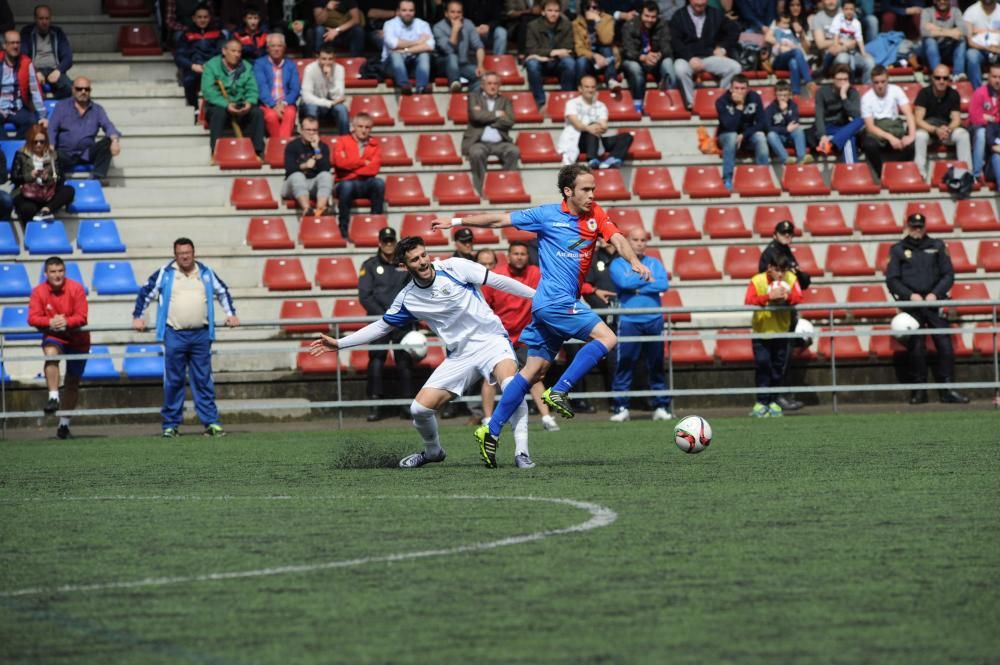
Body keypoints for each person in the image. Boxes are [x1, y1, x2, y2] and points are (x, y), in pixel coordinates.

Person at [430, 163, 652, 467]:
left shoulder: (596, 214)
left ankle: (490, 430)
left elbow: (618, 239)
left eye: (593, 189)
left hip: (551, 307)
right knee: (608, 337)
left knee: (532, 372)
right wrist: (454, 221)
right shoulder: (546, 215)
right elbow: (498, 219)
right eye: (586, 190)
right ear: (568, 191)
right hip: (554, 303)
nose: (591, 195)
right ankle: (559, 391)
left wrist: (633, 262)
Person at [311, 236, 540, 469]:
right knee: (419, 409)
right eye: (414, 260)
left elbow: (499, 281)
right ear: (405, 266)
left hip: (491, 340)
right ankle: (433, 452)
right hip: (460, 355)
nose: (422, 262)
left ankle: (522, 452)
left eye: (423, 255)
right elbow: (381, 326)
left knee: (512, 386)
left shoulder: (455, 267)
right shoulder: (408, 298)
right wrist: (340, 343)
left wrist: (536, 296)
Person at [132, 237, 239, 438]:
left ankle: (211, 423)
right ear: (175, 255)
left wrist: (230, 313)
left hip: (201, 334)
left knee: (203, 380)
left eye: (187, 252)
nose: (184, 256)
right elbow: (145, 292)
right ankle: (171, 425)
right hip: (174, 333)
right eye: (181, 253)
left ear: (193, 253)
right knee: (173, 380)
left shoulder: (205, 272)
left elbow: (223, 291)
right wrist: (138, 317)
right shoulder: (165, 272)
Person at [885, 213, 970, 405]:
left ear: (925, 227)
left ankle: (947, 389)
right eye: (913, 226)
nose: (917, 230)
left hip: (933, 303)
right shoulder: (898, 249)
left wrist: (936, 294)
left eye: (920, 226)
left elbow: (948, 274)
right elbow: (892, 279)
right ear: (907, 226)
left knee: (945, 345)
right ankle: (919, 390)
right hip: (912, 305)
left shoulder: (937, 246)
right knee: (916, 347)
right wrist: (909, 296)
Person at [480, 241, 561, 432]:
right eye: (515, 253)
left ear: (527, 256)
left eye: (523, 253)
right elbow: (484, 305)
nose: (519, 257)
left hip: (526, 335)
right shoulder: (496, 275)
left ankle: (547, 417)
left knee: (533, 376)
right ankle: (487, 419)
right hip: (499, 336)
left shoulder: (535, 273)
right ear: (508, 256)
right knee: (490, 378)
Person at [608, 227, 673, 423]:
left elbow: (663, 285)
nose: (639, 243)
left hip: (653, 319)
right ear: (627, 241)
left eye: (642, 240)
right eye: (635, 240)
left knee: (656, 364)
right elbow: (623, 283)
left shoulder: (655, 262)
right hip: (628, 320)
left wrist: (636, 285)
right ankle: (621, 406)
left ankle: (661, 406)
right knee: (625, 363)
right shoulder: (617, 263)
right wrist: (647, 279)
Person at [357, 226, 417, 421]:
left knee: (404, 361)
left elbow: (413, 289)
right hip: (379, 322)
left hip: (401, 321)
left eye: (391, 241)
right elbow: (365, 296)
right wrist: (385, 317)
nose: (389, 244)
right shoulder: (370, 265)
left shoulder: (405, 264)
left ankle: (408, 405)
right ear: (379, 243)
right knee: (376, 360)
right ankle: (375, 405)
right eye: (385, 241)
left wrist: (399, 315)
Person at [27, 256, 89, 439]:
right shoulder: (38, 291)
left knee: (72, 382)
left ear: (65, 271)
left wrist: (66, 321)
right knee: (51, 353)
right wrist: (50, 321)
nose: (57, 275)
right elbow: (32, 318)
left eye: (60, 271)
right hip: (54, 335)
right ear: (46, 274)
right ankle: (53, 396)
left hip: (78, 339)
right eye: (53, 272)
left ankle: (64, 425)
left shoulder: (76, 288)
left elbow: (82, 316)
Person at [758, 219, 809, 412]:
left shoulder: (786, 252)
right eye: (783, 233)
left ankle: (779, 395)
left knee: (784, 356)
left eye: (790, 234)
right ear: (775, 234)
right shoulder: (771, 253)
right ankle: (774, 397)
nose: (787, 236)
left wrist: (801, 276)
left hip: (787, 312)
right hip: (775, 313)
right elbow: (765, 280)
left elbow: (802, 281)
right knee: (776, 357)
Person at [744, 253, 803, 417]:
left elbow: (799, 297)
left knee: (778, 368)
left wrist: (787, 296)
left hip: (781, 331)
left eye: (783, 270)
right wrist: (768, 297)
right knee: (763, 365)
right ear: (769, 268)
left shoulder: (790, 278)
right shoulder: (758, 280)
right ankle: (761, 402)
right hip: (762, 332)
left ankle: (773, 401)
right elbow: (749, 300)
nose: (780, 274)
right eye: (777, 270)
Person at [47, 76, 121, 186]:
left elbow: (108, 125)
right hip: (65, 153)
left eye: (87, 89)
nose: (83, 92)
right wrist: (51, 145)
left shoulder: (97, 109)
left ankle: (97, 177)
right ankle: (58, 183)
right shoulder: (61, 107)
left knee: (108, 141)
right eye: (79, 89)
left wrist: (115, 140)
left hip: (86, 153)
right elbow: (52, 127)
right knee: (55, 155)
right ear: (73, 89)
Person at [669, 0, 741, 110]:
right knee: (679, 69)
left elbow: (734, 29)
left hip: (709, 57)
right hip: (687, 58)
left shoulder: (715, 14)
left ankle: (722, 101)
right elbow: (675, 41)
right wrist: (689, 58)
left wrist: (722, 48)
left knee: (735, 68)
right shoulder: (679, 16)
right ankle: (691, 104)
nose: (700, 4)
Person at [202, 38, 265, 158]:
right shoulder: (211, 66)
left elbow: (252, 89)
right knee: (219, 113)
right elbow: (209, 92)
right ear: (224, 51)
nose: (237, 55)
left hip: (240, 103)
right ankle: (216, 150)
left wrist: (249, 102)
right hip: (219, 105)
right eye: (233, 51)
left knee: (257, 113)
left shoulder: (246, 66)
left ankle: (258, 151)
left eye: (239, 52)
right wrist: (226, 105)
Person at [557, 74, 633, 168]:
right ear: (580, 88)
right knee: (591, 129)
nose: (590, 90)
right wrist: (591, 127)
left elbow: (604, 125)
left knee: (627, 136)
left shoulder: (601, 105)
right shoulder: (572, 103)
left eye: (593, 87)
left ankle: (611, 159)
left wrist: (599, 127)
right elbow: (577, 124)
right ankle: (592, 159)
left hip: (596, 139)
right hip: (577, 140)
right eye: (587, 87)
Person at [463, 70, 520, 195]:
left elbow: (510, 121)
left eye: (495, 83)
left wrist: (486, 118)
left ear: (499, 85)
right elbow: (475, 117)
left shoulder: (506, 100)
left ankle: (506, 187)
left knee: (513, 151)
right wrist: (498, 114)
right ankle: (480, 189)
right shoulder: (474, 97)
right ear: (482, 85)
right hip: (479, 142)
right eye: (489, 83)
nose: (492, 86)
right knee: (476, 153)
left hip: (501, 142)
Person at [860, 65, 916, 182]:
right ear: (872, 82)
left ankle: (897, 172)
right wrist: (890, 137)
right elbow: (870, 127)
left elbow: (909, 114)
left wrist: (911, 136)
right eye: (876, 82)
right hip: (878, 131)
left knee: (911, 145)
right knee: (869, 144)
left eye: (883, 81)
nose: (880, 85)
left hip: (894, 127)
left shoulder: (896, 90)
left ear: (888, 80)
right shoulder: (866, 98)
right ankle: (882, 175)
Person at [332, 112, 384, 239]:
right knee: (347, 187)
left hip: (364, 182)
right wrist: (362, 162)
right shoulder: (342, 141)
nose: (364, 130)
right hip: (345, 183)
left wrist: (351, 169)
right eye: (360, 126)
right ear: (353, 127)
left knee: (379, 183)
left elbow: (373, 169)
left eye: (367, 127)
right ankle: (343, 228)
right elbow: (339, 163)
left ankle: (375, 226)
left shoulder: (375, 144)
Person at [914, 65, 971, 178]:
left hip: (946, 131)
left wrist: (948, 129)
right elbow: (918, 120)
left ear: (949, 79)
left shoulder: (953, 94)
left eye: (945, 78)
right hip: (929, 131)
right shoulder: (924, 93)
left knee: (963, 135)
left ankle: (966, 174)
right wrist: (935, 130)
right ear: (932, 78)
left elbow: (956, 119)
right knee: (919, 135)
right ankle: (920, 174)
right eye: (938, 78)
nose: (941, 81)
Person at [10, 123, 73, 222]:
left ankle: (46, 210)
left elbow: (61, 178)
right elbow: (14, 177)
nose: (38, 144)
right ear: (30, 141)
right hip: (28, 195)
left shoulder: (53, 155)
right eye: (35, 142)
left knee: (69, 190)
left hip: (48, 193)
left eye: (42, 142)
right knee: (27, 209)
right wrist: (30, 176)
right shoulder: (21, 154)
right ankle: (32, 230)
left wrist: (48, 177)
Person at [716, 74, 768, 191]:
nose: (739, 91)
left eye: (743, 88)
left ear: (748, 89)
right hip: (726, 136)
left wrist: (744, 135)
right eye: (736, 88)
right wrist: (739, 107)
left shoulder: (754, 98)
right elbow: (729, 126)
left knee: (761, 137)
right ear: (731, 89)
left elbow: (762, 123)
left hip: (746, 135)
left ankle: (763, 176)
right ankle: (727, 178)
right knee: (732, 136)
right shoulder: (721, 101)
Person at [621, 1, 674, 114]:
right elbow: (627, 50)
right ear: (641, 14)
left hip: (655, 60)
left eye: (653, 17)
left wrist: (657, 56)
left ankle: (670, 101)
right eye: (647, 16)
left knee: (668, 62)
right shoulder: (629, 25)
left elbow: (667, 46)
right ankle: (638, 105)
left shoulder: (662, 25)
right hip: (636, 59)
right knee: (634, 68)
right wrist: (643, 58)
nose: (649, 20)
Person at [524, 0, 577, 109]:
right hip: (541, 63)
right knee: (532, 63)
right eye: (550, 10)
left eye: (556, 11)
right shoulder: (533, 26)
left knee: (569, 62)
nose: (553, 14)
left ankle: (567, 99)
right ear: (543, 12)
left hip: (558, 62)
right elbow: (531, 49)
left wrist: (544, 55)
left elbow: (568, 49)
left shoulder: (566, 24)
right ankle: (541, 102)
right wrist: (552, 52)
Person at [175, 4, 226, 109]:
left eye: (205, 17)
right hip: (194, 67)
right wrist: (192, 66)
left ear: (210, 18)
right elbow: (179, 56)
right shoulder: (186, 35)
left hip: (213, 67)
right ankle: (195, 109)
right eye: (199, 17)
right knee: (189, 81)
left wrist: (210, 66)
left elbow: (222, 53)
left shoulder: (218, 34)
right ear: (194, 18)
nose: (202, 20)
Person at [282, 115, 332, 216]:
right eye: (308, 130)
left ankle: (320, 209)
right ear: (301, 130)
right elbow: (289, 169)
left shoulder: (322, 147)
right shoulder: (292, 146)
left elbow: (326, 169)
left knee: (326, 176)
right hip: (292, 186)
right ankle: (307, 209)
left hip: (313, 184)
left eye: (314, 130)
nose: (311, 133)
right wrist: (304, 166)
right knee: (297, 176)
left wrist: (317, 149)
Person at [813, 63, 864, 163]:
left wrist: (844, 96)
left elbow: (856, 115)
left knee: (862, 118)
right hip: (828, 128)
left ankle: (833, 142)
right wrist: (822, 135)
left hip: (844, 127)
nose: (843, 82)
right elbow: (819, 115)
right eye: (839, 79)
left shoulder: (852, 92)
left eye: (845, 79)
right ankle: (851, 172)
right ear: (833, 79)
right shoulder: (822, 92)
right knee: (849, 139)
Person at [19, 4, 72, 100]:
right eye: (41, 18)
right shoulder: (27, 32)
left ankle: (53, 105)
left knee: (69, 88)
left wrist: (58, 70)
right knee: (26, 89)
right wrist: (35, 72)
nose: (44, 22)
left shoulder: (57, 33)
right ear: (35, 19)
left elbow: (68, 57)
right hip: (35, 70)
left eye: (47, 18)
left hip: (54, 70)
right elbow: (23, 56)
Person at [382, 0, 435, 95]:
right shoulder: (389, 24)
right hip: (391, 66)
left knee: (424, 55)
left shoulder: (422, 24)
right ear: (398, 11)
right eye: (404, 10)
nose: (408, 13)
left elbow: (430, 46)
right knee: (396, 55)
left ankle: (422, 88)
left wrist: (406, 50)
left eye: (411, 10)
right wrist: (418, 42)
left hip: (413, 66)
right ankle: (404, 86)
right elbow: (393, 44)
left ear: (414, 12)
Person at [253, 33, 300, 139]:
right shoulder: (260, 64)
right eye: (273, 46)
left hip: (286, 103)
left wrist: (283, 103)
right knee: (271, 116)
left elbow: (295, 89)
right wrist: (273, 105)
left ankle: (279, 147)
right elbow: (261, 87)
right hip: (267, 103)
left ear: (284, 48)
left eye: (279, 46)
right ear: (268, 48)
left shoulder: (291, 65)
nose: (276, 49)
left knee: (290, 114)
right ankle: (281, 145)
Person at [1, 30, 47, 138]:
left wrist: (42, 116)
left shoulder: (26, 63)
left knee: (32, 121)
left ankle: (16, 147)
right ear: (4, 45)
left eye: (18, 43)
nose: (15, 46)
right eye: (12, 43)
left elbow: (35, 90)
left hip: (17, 108)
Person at [815, 0, 873, 84]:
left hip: (852, 52)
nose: (831, 1)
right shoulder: (818, 18)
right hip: (831, 57)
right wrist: (842, 42)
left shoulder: (851, 13)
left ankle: (867, 89)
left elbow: (855, 40)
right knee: (844, 58)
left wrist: (862, 53)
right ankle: (846, 89)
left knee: (870, 62)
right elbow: (820, 44)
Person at [434, 0, 486, 92]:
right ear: (446, 13)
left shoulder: (468, 24)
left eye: (459, 12)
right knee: (452, 56)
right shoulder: (438, 27)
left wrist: (480, 66)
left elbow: (479, 46)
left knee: (482, 77)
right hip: (444, 65)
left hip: (463, 65)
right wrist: (455, 30)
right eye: (452, 12)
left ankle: (473, 101)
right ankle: (455, 83)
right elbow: (448, 50)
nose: (456, 15)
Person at [299, 43, 349, 135]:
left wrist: (329, 79)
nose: (327, 62)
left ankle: (345, 141)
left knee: (342, 109)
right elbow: (307, 97)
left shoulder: (339, 69)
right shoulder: (310, 69)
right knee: (311, 108)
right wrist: (329, 103)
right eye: (324, 59)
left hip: (330, 106)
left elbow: (338, 95)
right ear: (318, 58)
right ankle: (312, 140)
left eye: (330, 59)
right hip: (313, 105)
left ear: (334, 58)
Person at [764, 11, 815, 98]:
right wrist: (781, 44)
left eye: (788, 23)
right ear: (778, 23)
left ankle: (796, 94)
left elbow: (802, 48)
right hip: (778, 59)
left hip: (791, 57)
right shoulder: (776, 30)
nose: (786, 25)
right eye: (783, 23)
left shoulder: (793, 33)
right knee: (796, 52)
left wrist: (792, 45)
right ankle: (809, 81)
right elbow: (768, 38)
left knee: (793, 62)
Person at [575, 0, 619, 90]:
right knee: (581, 61)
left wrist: (598, 21)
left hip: (605, 58)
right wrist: (594, 56)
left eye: (594, 7)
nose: (591, 10)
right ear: (583, 9)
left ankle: (611, 80)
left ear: (599, 9)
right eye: (588, 8)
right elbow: (579, 49)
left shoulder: (608, 19)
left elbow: (607, 40)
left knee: (607, 49)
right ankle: (582, 87)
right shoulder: (576, 23)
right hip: (589, 58)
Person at [765, 79, 811, 166]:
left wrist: (785, 112)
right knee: (771, 135)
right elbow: (768, 128)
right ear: (775, 95)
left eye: (785, 95)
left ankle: (802, 158)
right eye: (780, 95)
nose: (782, 98)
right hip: (779, 137)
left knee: (798, 130)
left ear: (789, 95)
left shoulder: (793, 106)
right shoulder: (770, 109)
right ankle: (786, 159)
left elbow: (795, 123)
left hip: (791, 137)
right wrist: (785, 129)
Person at [967, 61, 1000, 180]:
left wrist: (989, 118)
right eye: (994, 76)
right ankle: (976, 173)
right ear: (988, 77)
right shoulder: (980, 92)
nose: (997, 80)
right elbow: (975, 117)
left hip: (995, 132)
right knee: (981, 133)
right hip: (975, 131)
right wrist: (994, 119)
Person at [918, 0, 967, 79]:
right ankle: (938, 75)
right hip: (929, 54)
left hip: (948, 50)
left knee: (961, 40)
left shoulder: (955, 11)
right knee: (930, 41)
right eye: (939, 0)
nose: (942, 1)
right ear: (934, 1)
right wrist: (950, 33)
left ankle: (958, 74)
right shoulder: (927, 11)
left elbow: (963, 31)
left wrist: (936, 29)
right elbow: (924, 32)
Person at [963, 0, 1000, 91]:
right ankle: (979, 92)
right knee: (971, 54)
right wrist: (989, 47)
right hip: (980, 51)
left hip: (998, 49)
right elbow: (970, 41)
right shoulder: (970, 11)